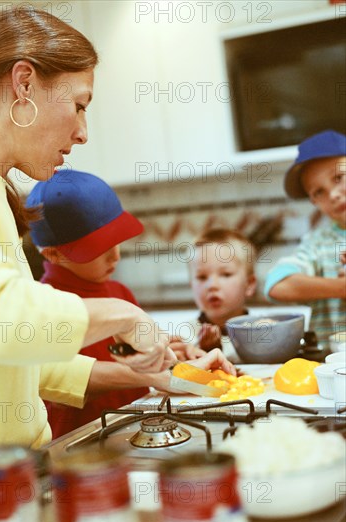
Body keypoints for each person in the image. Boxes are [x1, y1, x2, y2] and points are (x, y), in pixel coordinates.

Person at [0, 6, 234, 493]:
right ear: (24, 85)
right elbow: (1, 326)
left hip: (15, 476)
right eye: (79, 104)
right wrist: (121, 314)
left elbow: (20, 361)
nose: (83, 132)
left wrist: (155, 377)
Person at [26, 169, 153, 437]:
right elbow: (62, 384)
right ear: (53, 254)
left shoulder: (120, 292)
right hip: (81, 448)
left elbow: (139, 360)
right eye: (98, 248)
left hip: (141, 434)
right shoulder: (42, 309)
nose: (115, 257)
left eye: (116, 241)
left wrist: (171, 354)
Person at [264, 130, 346, 350]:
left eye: (338, 178)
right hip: (333, 368)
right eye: (319, 191)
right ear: (313, 202)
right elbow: (276, 285)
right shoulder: (317, 245)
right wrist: (341, 287)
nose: (333, 195)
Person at [170, 228, 257, 362]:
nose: (212, 285)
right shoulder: (185, 337)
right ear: (191, 285)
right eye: (201, 277)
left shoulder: (261, 332)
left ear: (249, 284)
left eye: (226, 274)